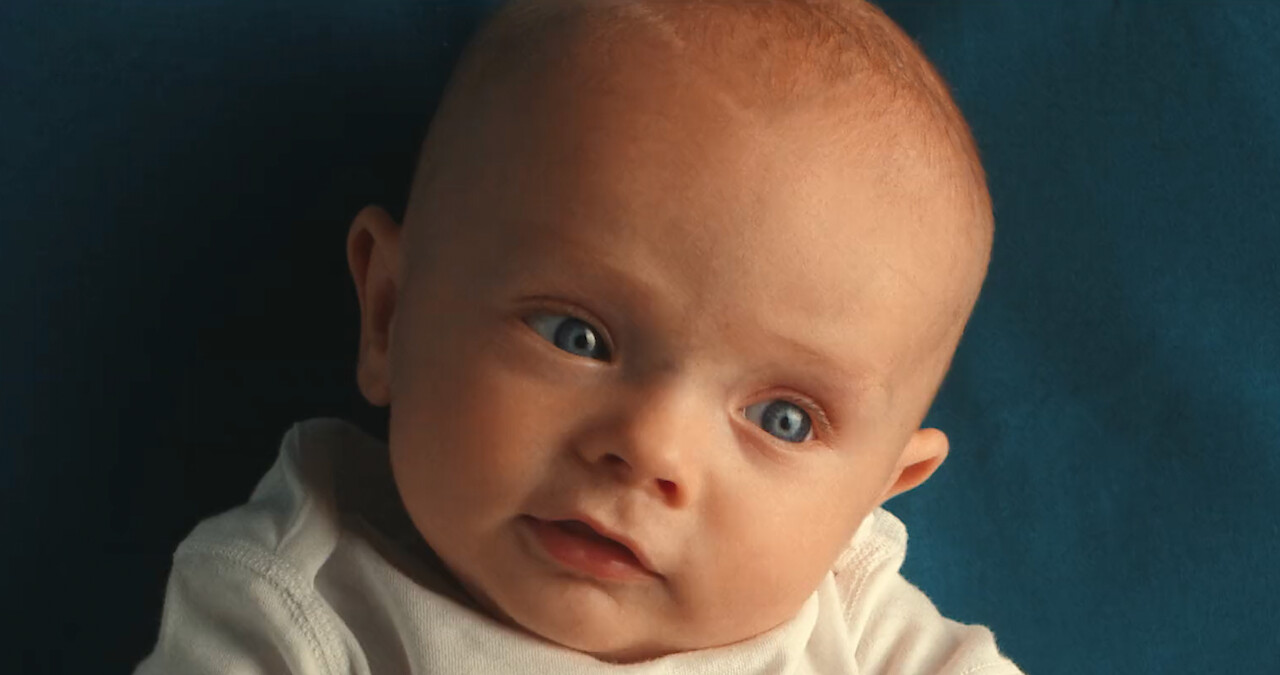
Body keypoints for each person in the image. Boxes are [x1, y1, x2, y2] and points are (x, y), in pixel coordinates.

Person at [135, 0, 1023, 672]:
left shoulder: (860, 629)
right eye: (577, 336)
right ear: (389, 314)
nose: (649, 448)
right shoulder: (301, 610)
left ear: (875, 492)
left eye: (783, 418)